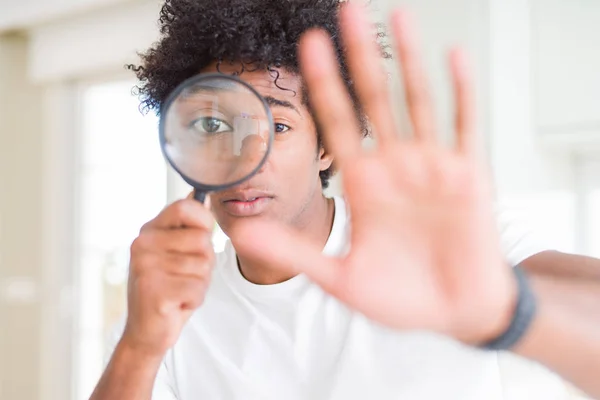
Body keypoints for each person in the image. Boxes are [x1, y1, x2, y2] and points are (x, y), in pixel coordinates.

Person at [90, 1, 600, 399]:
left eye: (278, 124)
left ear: (327, 145)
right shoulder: (168, 311)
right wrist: (139, 346)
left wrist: (509, 311)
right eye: (212, 124)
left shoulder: (436, 242)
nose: (242, 155)